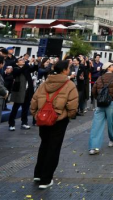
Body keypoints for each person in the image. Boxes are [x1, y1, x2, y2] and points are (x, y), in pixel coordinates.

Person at [31, 60, 78, 189]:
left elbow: (34, 100)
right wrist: (68, 116)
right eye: (68, 68)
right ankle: (46, 179)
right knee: (53, 147)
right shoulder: (69, 84)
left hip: (43, 118)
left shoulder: (45, 83)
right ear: (64, 70)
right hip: (59, 119)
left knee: (44, 145)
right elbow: (72, 105)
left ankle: (38, 174)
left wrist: (36, 115)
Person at [89, 61, 113, 155]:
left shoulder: (100, 77)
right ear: (108, 67)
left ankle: (94, 147)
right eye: (112, 66)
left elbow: (93, 90)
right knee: (112, 123)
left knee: (96, 125)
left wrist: (98, 98)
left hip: (100, 103)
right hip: (112, 102)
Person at [8, 57, 33, 131]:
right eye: (20, 60)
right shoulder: (15, 68)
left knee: (25, 108)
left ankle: (24, 123)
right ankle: (11, 123)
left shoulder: (26, 68)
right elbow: (19, 72)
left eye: (23, 60)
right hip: (19, 91)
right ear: (17, 63)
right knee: (15, 108)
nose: (23, 61)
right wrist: (27, 63)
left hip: (27, 91)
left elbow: (33, 69)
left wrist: (35, 63)